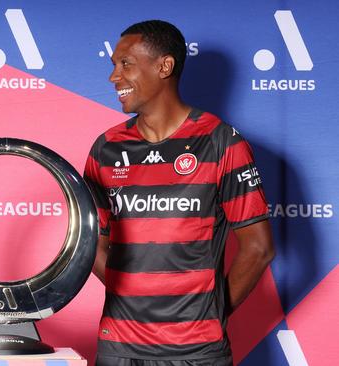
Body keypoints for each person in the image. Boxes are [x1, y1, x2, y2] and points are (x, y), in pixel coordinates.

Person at [83, 20, 275, 366]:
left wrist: (209, 313)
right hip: (119, 347)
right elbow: (94, 243)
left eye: (125, 64)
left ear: (164, 66)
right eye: (114, 66)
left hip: (197, 351)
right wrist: (132, 292)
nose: (114, 77)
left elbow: (259, 248)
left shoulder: (221, 142)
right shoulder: (106, 148)